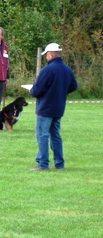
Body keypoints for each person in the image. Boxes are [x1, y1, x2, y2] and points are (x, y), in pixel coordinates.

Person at [29, 43, 78, 171]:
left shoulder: (47, 70)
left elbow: (37, 90)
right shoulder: (67, 69)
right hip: (59, 107)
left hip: (45, 107)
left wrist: (31, 90)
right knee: (55, 135)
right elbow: (74, 86)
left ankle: (43, 164)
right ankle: (59, 163)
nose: (46, 57)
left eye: (46, 55)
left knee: (42, 135)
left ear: (50, 54)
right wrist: (61, 91)